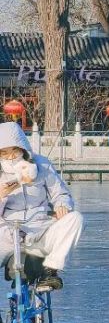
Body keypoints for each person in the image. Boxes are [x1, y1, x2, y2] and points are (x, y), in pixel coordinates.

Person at [0, 122, 82, 294]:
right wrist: (2, 195)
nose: (10, 157)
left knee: (76, 218)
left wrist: (62, 206)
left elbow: (61, 194)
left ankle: (50, 270)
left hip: (40, 229)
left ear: (23, 148)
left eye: (14, 151)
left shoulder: (41, 165)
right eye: (4, 153)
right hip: (7, 234)